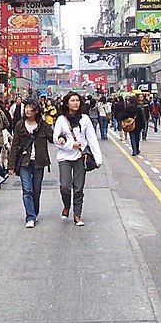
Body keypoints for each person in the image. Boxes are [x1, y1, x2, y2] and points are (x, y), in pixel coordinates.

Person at [53, 91, 102, 226]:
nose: (75, 103)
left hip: (81, 157)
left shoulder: (85, 119)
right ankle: (66, 206)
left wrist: (98, 159)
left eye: (77, 101)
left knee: (79, 188)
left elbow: (92, 139)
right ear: (67, 103)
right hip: (64, 157)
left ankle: (77, 215)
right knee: (65, 186)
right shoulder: (61, 119)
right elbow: (55, 139)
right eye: (72, 101)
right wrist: (70, 145)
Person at [9, 98, 53, 228]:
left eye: (31, 108)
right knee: (27, 190)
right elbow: (14, 146)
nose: (28, 110)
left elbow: (52, 138)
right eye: (26, 107)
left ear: (36, 110)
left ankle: (34, 212)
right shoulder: (20, 125)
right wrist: (11, 166)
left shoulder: (43, 125)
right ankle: (30, 216)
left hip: (39, 161)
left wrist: (62, 138)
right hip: (24, 162)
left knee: (36, 190)